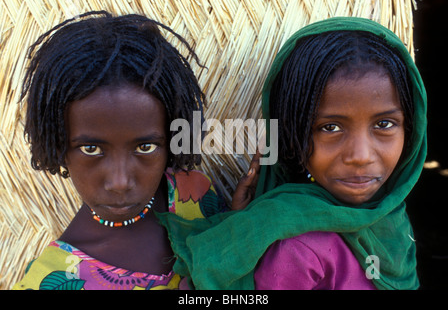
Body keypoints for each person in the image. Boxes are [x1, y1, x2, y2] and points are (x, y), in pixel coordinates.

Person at [157, 17, 427, 290]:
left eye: (384, 124)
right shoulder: (297, 249)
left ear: (411, 129)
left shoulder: (389, 220)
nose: (360, 155)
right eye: (329, 127)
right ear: (292, 134)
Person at [12, 11, 227, 290]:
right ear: (57, 143)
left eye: (145, 147)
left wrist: (237, 227)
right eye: (91, 148)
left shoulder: (194, 196)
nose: (120, 182)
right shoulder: (48, 282)